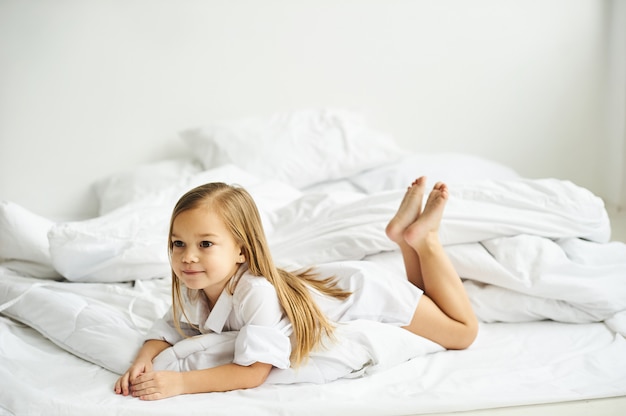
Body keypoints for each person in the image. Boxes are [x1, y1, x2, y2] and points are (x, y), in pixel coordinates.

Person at [114, 177, 478, 400]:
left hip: (365, 291)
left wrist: (180, 384)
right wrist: (143, 361)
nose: (187, 257)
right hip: (340, 282)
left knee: (462, 332)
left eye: (205, 244)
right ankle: (405, 237)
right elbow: (166, 329)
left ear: (242, 249)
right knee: (427, 307)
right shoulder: (195, 285)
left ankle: (423, 239)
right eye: (179, 244)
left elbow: (253, 372)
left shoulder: (255, 292)